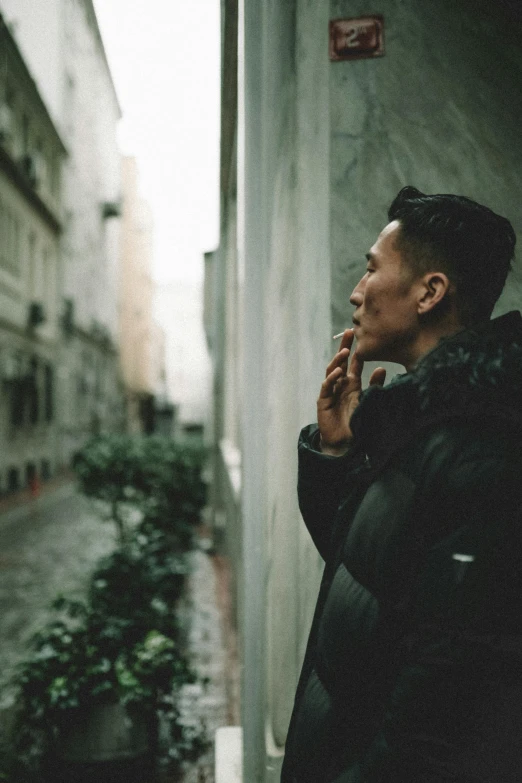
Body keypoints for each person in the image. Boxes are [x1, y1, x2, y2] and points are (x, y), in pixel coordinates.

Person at [281, 186, 522, 783]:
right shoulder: (415, 417)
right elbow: (367, 577)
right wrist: (338, 452)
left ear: (430, 292)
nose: (357, 292)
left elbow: (442, 707)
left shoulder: (482, 446)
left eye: (370, 269)